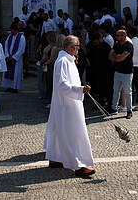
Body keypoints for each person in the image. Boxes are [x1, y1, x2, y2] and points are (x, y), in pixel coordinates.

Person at [44, 35, 95, 177]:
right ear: (71, 47)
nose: (79, 49)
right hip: (67, 104)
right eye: (78, 47)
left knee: (59, 130)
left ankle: (55, 158)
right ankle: (78, 165)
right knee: (73, 134)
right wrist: (80, 90)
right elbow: (62, 85)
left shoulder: (68, 60)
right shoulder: (63, 61)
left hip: (68, 102)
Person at [108, 28, 134, 119]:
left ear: (124, 35)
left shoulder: (129, 45)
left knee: (127, 92)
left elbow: (121, 58)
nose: (117, 37)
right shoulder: (117, 44)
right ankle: (114, 108)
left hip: (127, 72)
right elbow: (110, 56)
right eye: (116, 35)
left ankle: (129, 110)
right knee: (116, 90)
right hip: (118, 71)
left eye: (118, 35)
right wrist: (117, 57)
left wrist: (117, 57)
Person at [1, 22, 26, 93]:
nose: (11, 31)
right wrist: (7, 55)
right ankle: (9, 86)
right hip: (9, 57)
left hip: (16, 60)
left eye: (13, 30)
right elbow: (6, 46)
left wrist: (14, 57)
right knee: (8, 72)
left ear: (16, 30)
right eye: (11, 30)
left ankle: (15, 87)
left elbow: (21, 49)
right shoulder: (10, 36)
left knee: (16, 73)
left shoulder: (21, 37)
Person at [129, 26, 138, 104]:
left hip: (133, 63)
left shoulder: (131, 41)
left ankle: (132, 98)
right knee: (137, 81)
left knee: (131, 83)